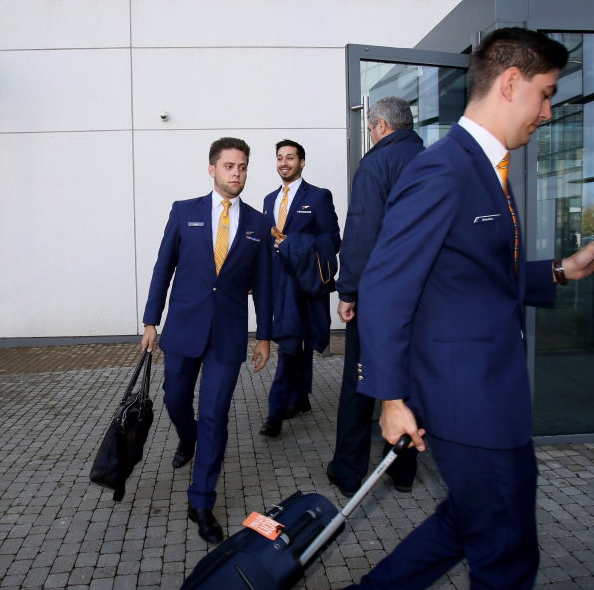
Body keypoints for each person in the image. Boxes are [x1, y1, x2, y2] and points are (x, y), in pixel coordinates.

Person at [322, 28, 594, 590]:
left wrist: (564, 270)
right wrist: (389, 399)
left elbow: (479, 276)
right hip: (468, 402)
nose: (547, 111)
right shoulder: (443, 169)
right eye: (545, 94)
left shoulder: (488, 170)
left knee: (471, 521)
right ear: (511, 82)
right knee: (507, 553)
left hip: (490, 394)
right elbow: (386, 285)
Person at [141, 137, 273, 545]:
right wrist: (151, 321)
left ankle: (201, 501)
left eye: (244, 166)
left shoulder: (256, 222)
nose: (238, 173)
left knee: (215, 414)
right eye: (230, 166)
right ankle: (187, 435)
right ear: (212, 169)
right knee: (174, 399)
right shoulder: (185, 213)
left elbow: (266, 285)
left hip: (228, 336)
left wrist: (264, 335)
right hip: (183, 327)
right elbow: (164, 267)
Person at [326, 96, 423, 497]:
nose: (370, 134)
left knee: (360, 382)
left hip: (380, 297)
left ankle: (348, 473)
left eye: (369, 128)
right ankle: (402, 472)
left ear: (380, 125)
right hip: (423, 297)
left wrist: (347, 290)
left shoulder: (376, 164)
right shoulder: (433, 161)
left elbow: (362, 235)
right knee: (407, 379)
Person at [259, 139, 341, 437]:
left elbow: (333, 241)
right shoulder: (269, 199)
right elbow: (267, 246)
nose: (284, 162)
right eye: (279, 157)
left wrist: (293, 244)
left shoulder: (318, 197)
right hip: (278, 285)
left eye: (290, 157)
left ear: (301, 162)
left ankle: (275, 413)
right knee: (298, 342)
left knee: (291, 346)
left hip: (304, 285)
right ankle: (301, 397)